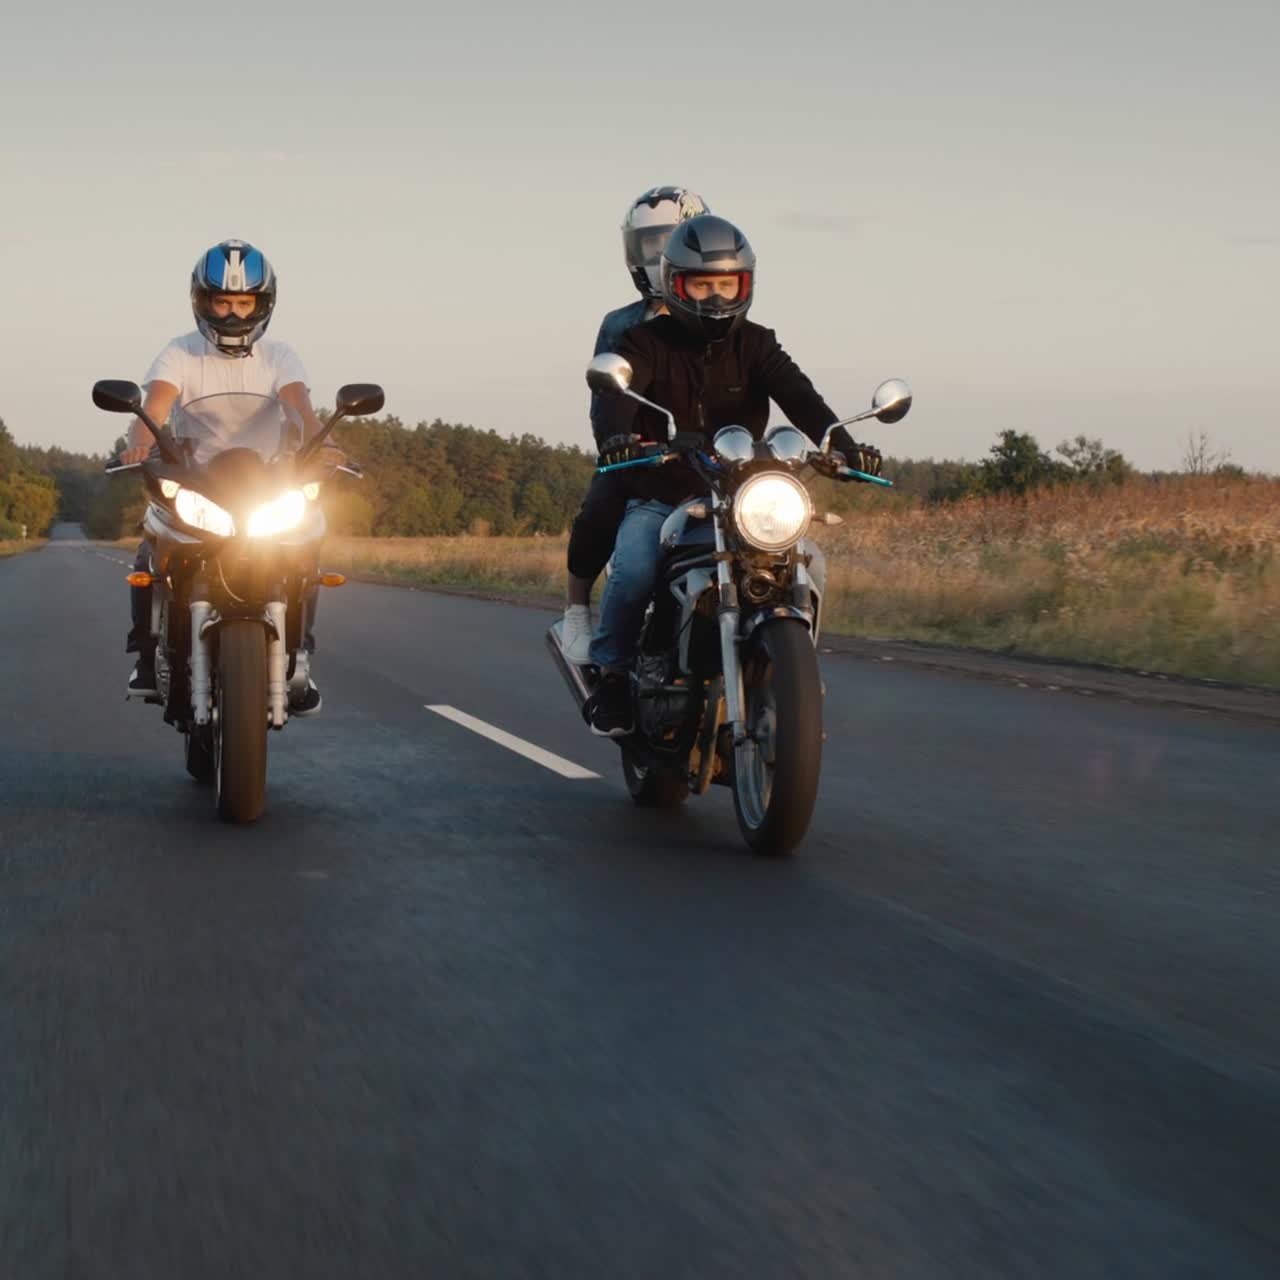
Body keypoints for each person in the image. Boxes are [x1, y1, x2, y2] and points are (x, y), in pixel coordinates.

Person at [583, 214, 883, 737]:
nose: (715, 297)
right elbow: (616, 396)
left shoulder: (758, 344)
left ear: (745, 284)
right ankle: (612, 675)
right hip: (664, 492)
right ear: (675, 283)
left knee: (809, 560)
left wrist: (846, 447)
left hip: (745, 494)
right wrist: (618, 437)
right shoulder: (645, 342)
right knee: (632, 566)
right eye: (701, 284)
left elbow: (801, 397)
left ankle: (789, 671)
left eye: (727, 284)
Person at [122, 239, 328, 714]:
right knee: (152, 546)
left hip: (266, 482)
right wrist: (140, 440)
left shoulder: (280, 356)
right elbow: (153, 408)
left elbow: (301, 410)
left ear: (263, 304)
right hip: (196, 478)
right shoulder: (180, 352)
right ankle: (147, 657)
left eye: (244, 302)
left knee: (307, 544)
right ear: (202, 301)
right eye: (223, 301)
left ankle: (300, 656)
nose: (234, 314)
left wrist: (326, 444)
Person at [560, 186, 709, 664]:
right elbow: (604, 398)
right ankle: (578, 611)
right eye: (648, 244)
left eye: (667, 242)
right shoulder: (621, 323)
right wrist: (618, 441)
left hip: (707, 459)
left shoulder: (721, 318)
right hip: (644, 452)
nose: (658, 255)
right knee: (602, 503)